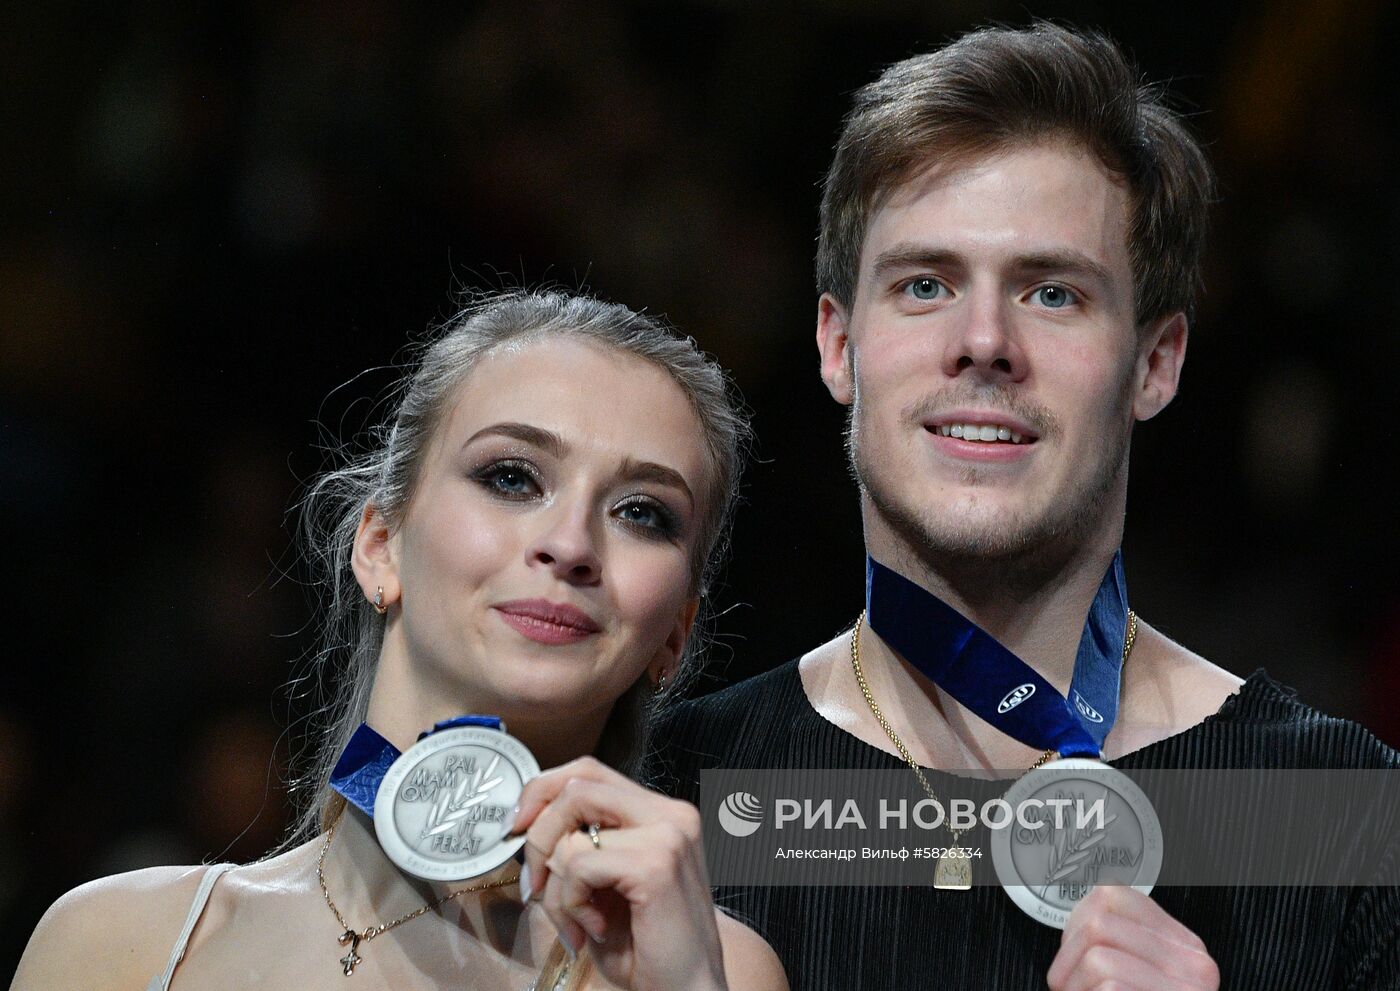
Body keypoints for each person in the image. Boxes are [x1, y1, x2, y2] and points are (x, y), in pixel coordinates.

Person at [653, 22, 1399, 991]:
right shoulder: (678, 791)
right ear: (837, 346)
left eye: (1050, 293)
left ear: (1154, 362)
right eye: (923, 284)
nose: (981, 340)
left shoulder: (1338, 818)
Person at [14, 290, 788, 991]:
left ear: (674, 637)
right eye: (512, 476)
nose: (570, 541)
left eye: (642, 512)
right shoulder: (113, 941)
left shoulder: (706, 968)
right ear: (381, 544)